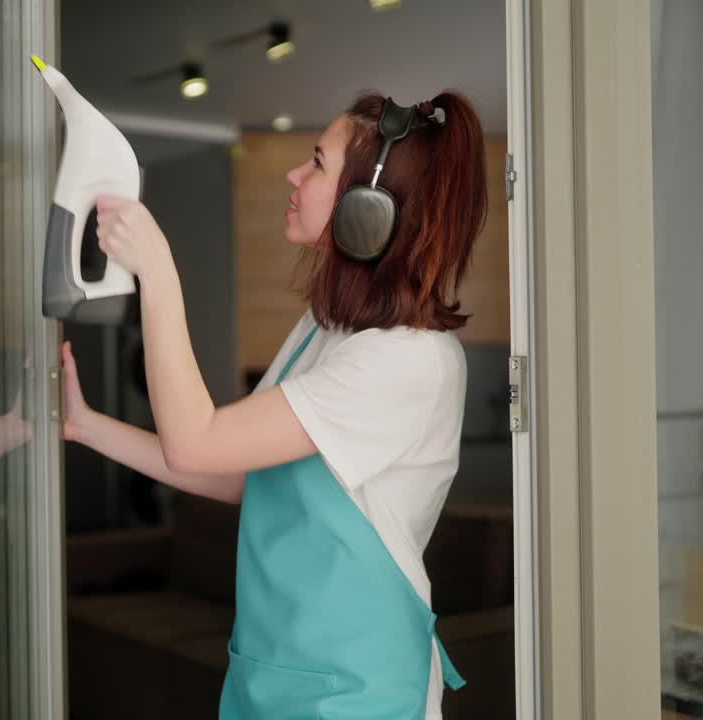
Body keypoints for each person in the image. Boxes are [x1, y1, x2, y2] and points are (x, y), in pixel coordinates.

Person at [62, 90, 488, 719]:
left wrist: (159, 272)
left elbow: (196, 440)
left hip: (355, 697)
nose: (294, 175)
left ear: (367, 206)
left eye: (316, 163)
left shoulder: (408, 361)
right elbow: (238, 472)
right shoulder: (325, 329)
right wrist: (87, 426)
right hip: (270, 674)